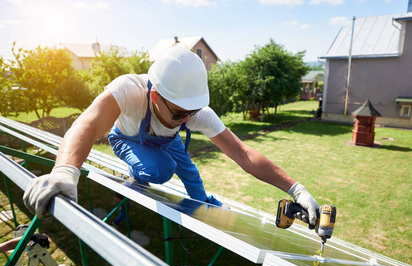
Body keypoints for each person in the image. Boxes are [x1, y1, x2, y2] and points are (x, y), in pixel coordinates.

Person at [23, 46, 319, 228]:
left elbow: (242, 153)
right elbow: (86, 124)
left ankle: (207, 206)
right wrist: (65, 170)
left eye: (193, 112)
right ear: (154, 96)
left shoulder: (189, 109)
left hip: (165, 141)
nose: (189, 121)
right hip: (127, 140)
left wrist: (297, 190)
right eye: (180, 114)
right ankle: (136, 172)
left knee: (193, 177)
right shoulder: (128, 90)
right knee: (162, 170)